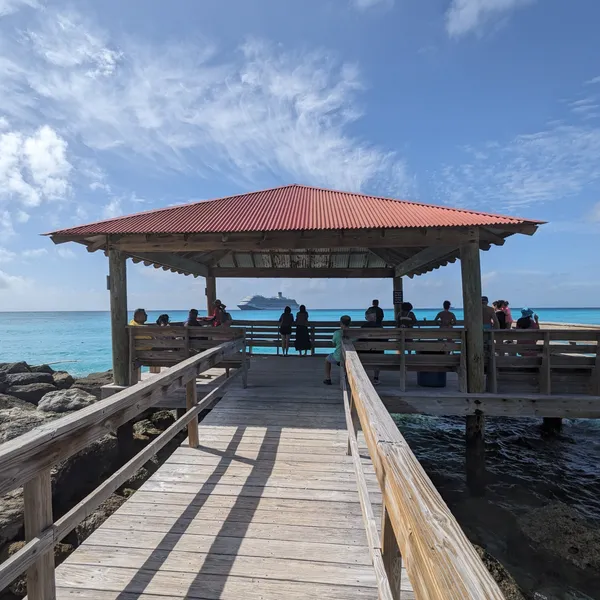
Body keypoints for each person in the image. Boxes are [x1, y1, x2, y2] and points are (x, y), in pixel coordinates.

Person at [324, 315, 351, 385]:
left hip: (339, 357)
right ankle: (346, 376)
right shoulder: (354, 333)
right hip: (351, 357)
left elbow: (333, 344)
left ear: (341, 323)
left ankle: (328, 378)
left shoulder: (337, 333)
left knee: (327, 359)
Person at [361, 310, 382, 385]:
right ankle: (376, 377)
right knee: (380, 351)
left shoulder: (363, 327)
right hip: (378, 353)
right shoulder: (380, 327)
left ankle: (362, 377)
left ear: (366, 318)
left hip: (364, 353)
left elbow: (360, 340)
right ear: (374, 318)